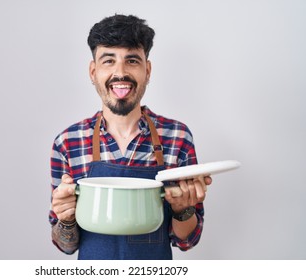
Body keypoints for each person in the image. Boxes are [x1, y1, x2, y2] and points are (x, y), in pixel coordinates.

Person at [49, 14, 212, 260]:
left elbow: (187, 240)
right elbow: (66, 245)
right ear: (93, 71)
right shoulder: (68, 142)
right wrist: (66, 219)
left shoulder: (177, 137)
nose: (120, 72)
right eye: (108, 61)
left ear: (147, 70)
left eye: (132, 60)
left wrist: (183, 210)